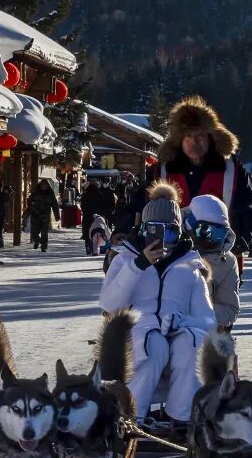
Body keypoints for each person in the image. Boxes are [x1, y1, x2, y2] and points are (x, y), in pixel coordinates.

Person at [100, 181, 216, 434]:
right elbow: (108, 303)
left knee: (192, 343)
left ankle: (181, 416)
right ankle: (132, 415)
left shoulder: (190, 267)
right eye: (154, 229)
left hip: (178, 328)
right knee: (154, 346)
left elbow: (208, 320)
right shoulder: (125, 259)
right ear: (143, 229)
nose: (163, 238)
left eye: (170, 232)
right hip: (137, 328)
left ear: (179, 232)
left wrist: (184, 322)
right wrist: (138, 266)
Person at [158, 96, 252, 269]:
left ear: (211, 137)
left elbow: (249, 212)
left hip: (221, 260)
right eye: (188, 136)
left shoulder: (232, 170)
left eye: (200, 135)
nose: (194, 141)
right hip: (171, 261)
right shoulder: (163, 171)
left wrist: (240, 241)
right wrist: (122, 231)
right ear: (179, 140)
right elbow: (141, 206)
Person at [185, 194, 240, 331]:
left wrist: (196, 311)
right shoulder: (172, 248)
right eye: (205, 231)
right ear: (190, 226)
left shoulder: (227, 262)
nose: (212, 240)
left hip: (202, 331)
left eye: (220, 234)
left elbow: (229, 310)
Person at [27, 179, 61, 252]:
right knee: (34, 232)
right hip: (36, 215)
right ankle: (38, 241)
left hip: (45, 215)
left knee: (44, 232)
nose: (44, 187)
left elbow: (55, 205)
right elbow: (29, 201)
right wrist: (32, 206)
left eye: (45, 185)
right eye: (43, 185)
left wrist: (57, 216)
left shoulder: (50, 194)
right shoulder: (36, 192)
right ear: (40, 185)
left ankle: (44, 246)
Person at [80, 180, 104, 255]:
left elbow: (82, 206)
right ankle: (95, 248)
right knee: (96, 231)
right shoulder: (99, 194)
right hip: (96, 217)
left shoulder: (85, 195)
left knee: (87, 231)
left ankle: (87, 244)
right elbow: (102, 206)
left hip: (87, 216)